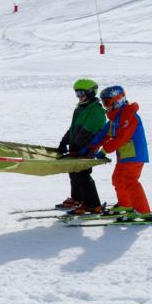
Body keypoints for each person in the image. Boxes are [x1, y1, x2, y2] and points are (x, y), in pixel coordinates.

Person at [84, 86, 152, 219]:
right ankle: (126, 204)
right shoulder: (115, 117)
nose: (105, 107)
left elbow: (122, 137)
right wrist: (90, 147)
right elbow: (104, 134)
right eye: (103, 103)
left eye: (107, 102)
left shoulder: (128, 115)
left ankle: (143, 211)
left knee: (130, 181)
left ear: (118, 101)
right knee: (117, 179)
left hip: (135, 156)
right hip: (125, 156)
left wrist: (104, 150)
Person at [57, 79, 106, 214]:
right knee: (73, 172)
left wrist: (77, 147)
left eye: (81, 93)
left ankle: (93, 205)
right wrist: (64, 142)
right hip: (77, 148)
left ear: (91, 92)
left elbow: (87, 131)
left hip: (87, 148)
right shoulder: (81, 108)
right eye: (77, 93)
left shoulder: (96, 110)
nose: (79, 96)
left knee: (83, 175)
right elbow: (73, 129)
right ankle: (78, 199)